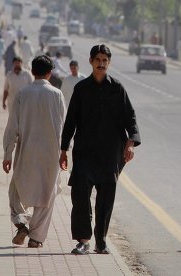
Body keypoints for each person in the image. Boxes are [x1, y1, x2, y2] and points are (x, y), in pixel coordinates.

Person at [59, 44, 141, 255]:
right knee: (80, 196)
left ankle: (101, 240)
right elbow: (71, 121)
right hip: (85, 152)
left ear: (109, 63)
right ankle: (83, 240)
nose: (101, 64)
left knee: (106, 198)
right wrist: (64, 148)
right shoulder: (81, 89)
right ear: (91, 61)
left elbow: (130, 117)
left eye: (105, 60)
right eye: (98, 60)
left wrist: (131, 143)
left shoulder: (117, 88)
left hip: (109, 155)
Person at [2, 55, 65, 248]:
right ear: (49, 73)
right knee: (47, 194)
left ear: (33, 70)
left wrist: (7, 154)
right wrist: (65, 152)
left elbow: (12, 127)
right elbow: (63, 125)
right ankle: (36, 238)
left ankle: (21, 223)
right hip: (51, 153)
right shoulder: (57, 94)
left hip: (26, 151)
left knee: (16, 190)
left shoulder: (23, 93)